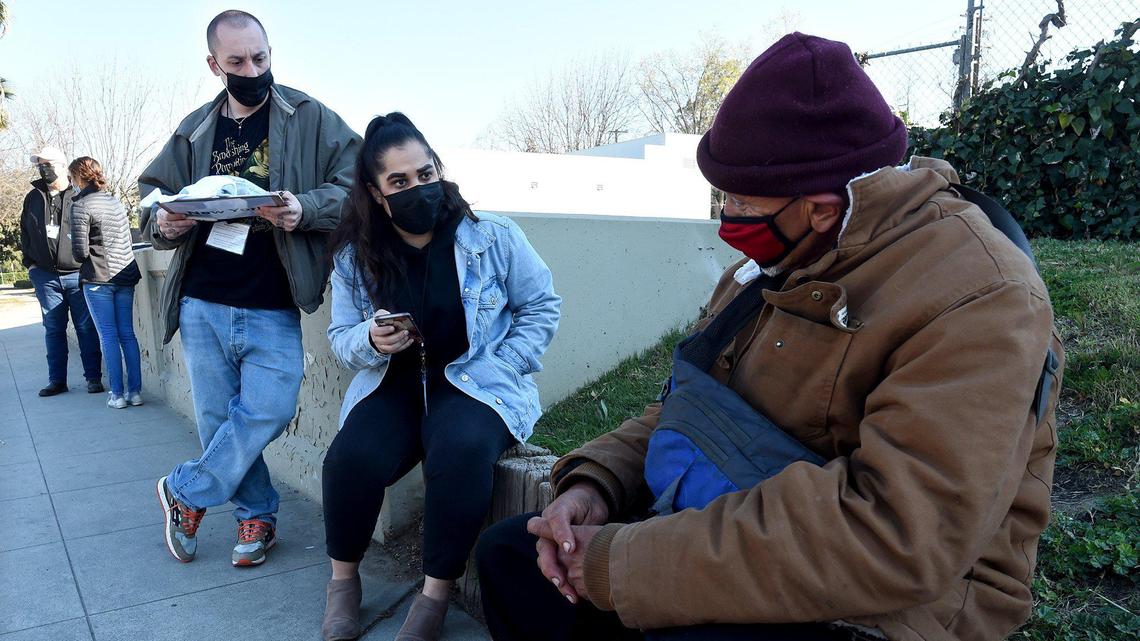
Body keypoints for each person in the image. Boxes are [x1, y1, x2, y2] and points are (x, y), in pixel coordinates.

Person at [475, 32, 1064, 641]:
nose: (728, 220)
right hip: (743, 519)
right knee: (512, 561)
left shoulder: (982, 297)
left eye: (741, 202)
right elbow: (688, 406)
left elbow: (897, 532)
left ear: (822, 208)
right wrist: (598, 482)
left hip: (892, 597)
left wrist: (621, 563)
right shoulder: (774, 262)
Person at [320, 113, 560, 641]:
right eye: (399, 181)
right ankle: (343, 583)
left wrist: (506, 362)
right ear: (376, 192)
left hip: (474, 383)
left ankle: (434, 595)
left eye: (425, 174)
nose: (418, 188)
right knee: (350, 459)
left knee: (460, 452)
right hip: (394, 385)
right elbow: (340, 338)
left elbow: (541, 304)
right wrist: (370, 339)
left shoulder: (492, 236)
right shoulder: (356, 256)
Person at [139, 10, 360, 568]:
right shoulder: (193, 129)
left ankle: (186, 489)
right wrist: (164, 223)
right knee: (219, 421)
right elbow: (151, 198)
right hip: (202, 299)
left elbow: (359, 183)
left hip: (273, 299)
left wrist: (306, 208)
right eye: (236, 61)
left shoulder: (309, 116)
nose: (252, 70)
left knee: (271, 408)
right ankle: (256, 515)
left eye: (260, 57)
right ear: (214, 65)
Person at [21, 146, 103, 397]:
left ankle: (93, 378)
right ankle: (57, 380)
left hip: (78, 275)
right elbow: (25, 232)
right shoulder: (33, 198)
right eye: (39, 165)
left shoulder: (78, 195)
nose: (43, 169)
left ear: (61, 165)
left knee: (86, 328)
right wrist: (31, 265)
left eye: (47, 164)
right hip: (45, 277)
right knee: (53, 329)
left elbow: (93, 231)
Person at [68, 156, 143, 409]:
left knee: (108, 336)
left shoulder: (80, 205)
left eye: (72, 178)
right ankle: (135, 392)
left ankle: (117, 395)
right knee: (127, 335)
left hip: (99, 277)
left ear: (78, 178)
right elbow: (126, 241)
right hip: (125, 274)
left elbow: (80, 252)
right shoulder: (115, 202)